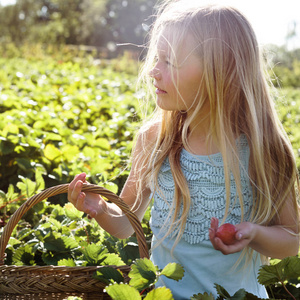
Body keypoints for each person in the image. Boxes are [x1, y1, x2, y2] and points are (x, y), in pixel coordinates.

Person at [68, 1, 300, 298]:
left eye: (170, 61)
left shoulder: (262, 149)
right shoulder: (155, 139)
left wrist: (253, 233)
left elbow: (291, 240)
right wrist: (99, 208)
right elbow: (127, 222)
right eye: (156, 59)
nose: (153, 71)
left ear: (220, 72)